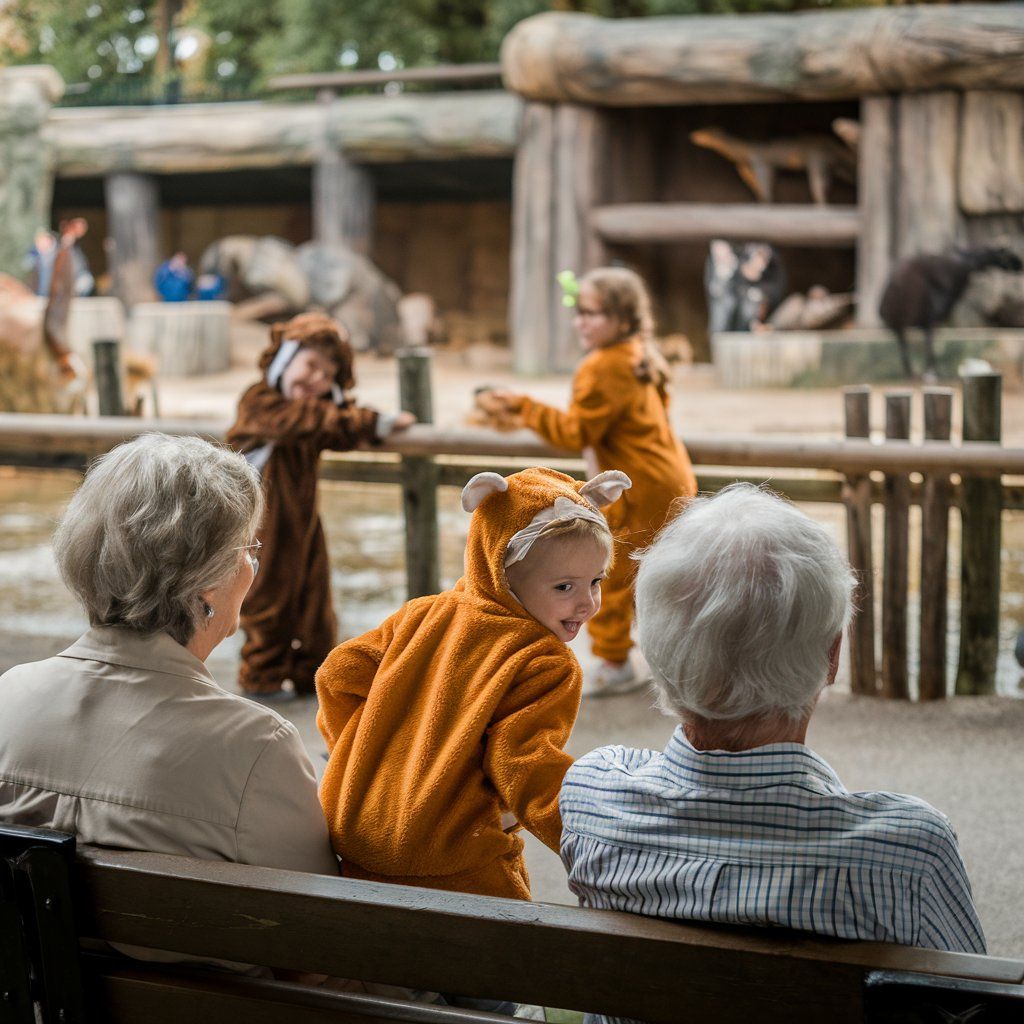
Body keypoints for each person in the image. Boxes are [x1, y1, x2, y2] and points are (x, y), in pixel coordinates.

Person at [560, 484, 986, 1024]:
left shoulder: (593, 793)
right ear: (831, 657)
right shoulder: (908, 853)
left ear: (658, 651)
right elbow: (976, 1006)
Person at [0, 433, 338, 877]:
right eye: (247, 550)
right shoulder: (255, 747)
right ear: (207, 584)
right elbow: (320, 914)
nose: (250, 567)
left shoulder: (9, 697)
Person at [316, 467, 631, 901]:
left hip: (354, 833)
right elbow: (525, 766)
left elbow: (338, 673)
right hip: (450, 854)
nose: (587, 603)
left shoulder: (420, 615)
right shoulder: (543, 660)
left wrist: (354, 754)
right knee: (505, 954)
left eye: (596, 581)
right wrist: (603, 847)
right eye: (564, 586)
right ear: (501, 572)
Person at [492, 267, 697, 696]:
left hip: (634, 485)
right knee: (659, 571)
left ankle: (613, 661)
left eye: (593, 314)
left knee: (608, 570)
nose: (581, 322)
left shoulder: (602, 366)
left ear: (622, 318)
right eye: (579, 312)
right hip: (672, 478)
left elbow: (576, 432)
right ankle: (674, 656)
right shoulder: (639, 353)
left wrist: (523, 406)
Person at [227, 312, 414, 700]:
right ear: (284, 358)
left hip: (304, 524)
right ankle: (261, 677)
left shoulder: (317, 415)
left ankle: (313, 674)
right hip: (262, 525)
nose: (317, 380)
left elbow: (331, 425)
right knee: (267, 598)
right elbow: (311, 421)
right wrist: (372, 422)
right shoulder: (260, 402)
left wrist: (358, 421)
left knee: (316, 600)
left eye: (328, 375)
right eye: (311, 365)